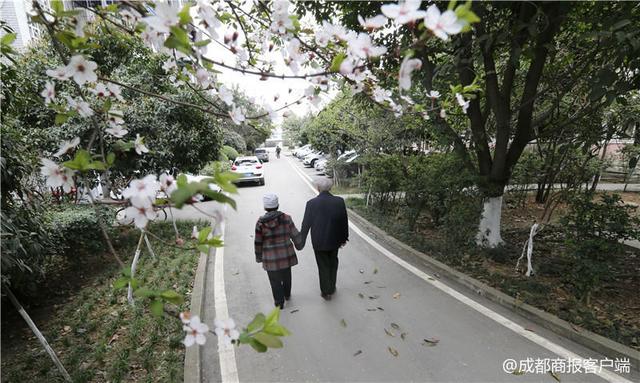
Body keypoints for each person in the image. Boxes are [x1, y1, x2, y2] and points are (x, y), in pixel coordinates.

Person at [300, 178, 349, 300]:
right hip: (335, 240)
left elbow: (306, 224)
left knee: (323, 265)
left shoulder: (311, 203)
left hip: (319, 241)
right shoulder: (339, 201)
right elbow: (344, 221)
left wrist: (301, 240)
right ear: (331, 188)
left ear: (318, 188)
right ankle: (331, 287)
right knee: (333, 262)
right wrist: (344, 238)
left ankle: (326, 291)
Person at [254, 193, 304, 309]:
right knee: (287, 275)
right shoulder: (286, 218)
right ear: (277, 205)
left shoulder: (260, 223)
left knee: (274, 280)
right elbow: (294, 233)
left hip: (270, 257)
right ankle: (287, 294)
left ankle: (279, 302)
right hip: (286, 254)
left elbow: (258, 241)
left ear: (265, 207)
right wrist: (299, 244)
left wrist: (259, 257)